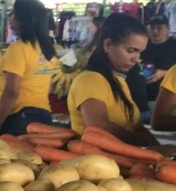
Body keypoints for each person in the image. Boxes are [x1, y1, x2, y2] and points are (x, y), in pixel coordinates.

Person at [67, 13, 158, 146]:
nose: (136, 58)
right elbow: (98, 127)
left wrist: (155, 145)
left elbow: (134, 126)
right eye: (131, 50)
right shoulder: (89, 80)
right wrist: (141, 141)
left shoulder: (119, 81)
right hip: (95, 162)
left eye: (139, 52)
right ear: (108, 44)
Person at [0, 0, 60, 135]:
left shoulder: (18, 49)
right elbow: (48, 87)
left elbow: (11, 93)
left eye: (14, 13)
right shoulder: (47, 50)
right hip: (44, 117)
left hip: (19, 118)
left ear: (24, 19)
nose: (10, 17)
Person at [141, 15, 176, 102]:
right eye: (152, 28)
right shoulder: (142, 45)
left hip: (168, 96)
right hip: (144, 94)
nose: (155, 31)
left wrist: (165, 73)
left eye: (159, 28)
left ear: (168, 28)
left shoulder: (174, 45)